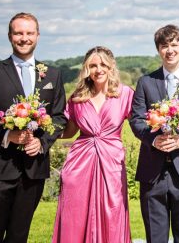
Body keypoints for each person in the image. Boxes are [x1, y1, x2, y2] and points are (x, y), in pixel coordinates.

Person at [0, 12, 67, 243]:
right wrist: (6, 135)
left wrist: (42, 143)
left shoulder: (51, 74)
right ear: (10, 36)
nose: (24, 38)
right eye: (19, 33)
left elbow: (60, 118)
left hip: (33, 170)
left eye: (29, 33)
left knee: (19, 236)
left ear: (38, 36)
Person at [129, 24, 179, 243]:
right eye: (164, 46)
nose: (170, 50)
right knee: (155, 238)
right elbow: (136, 119)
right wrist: (153, 139)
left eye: (174, 45)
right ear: (158, 49)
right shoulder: (146, 82)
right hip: (152, 172)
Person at [52, 46, 134, 242]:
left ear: (111, 66)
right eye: (93, 65)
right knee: (75, 214)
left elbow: (140, 125)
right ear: (86, 68)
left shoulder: (125, 94)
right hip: (79, 164)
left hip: (111, 163)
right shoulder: (77, 98)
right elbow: (70, 131)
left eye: (103, 64)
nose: (98, 70)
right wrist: (40, 130)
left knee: (112, 212)